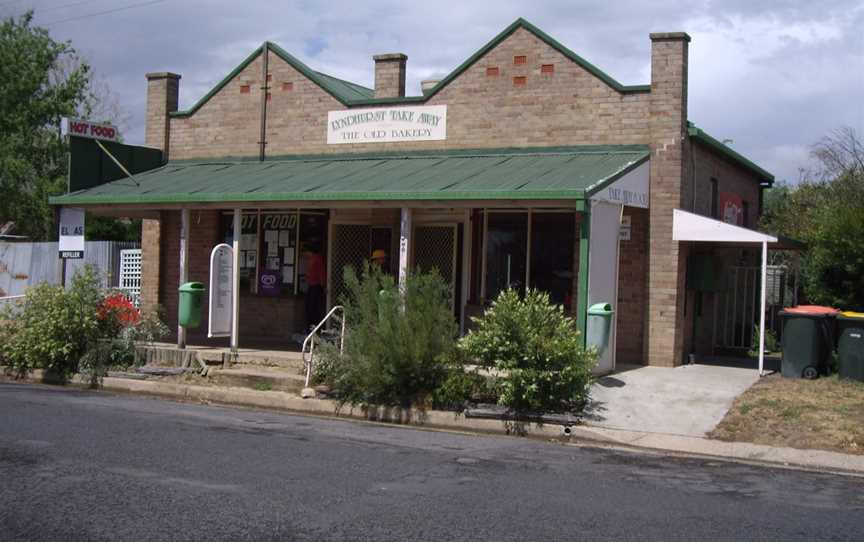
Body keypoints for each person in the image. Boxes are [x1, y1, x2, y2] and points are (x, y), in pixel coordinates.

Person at [303, 243, 326, 330]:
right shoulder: (312, 259)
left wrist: (323, 285)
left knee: (313, 308)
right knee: (310, 308)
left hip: (316, 286)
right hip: (312, 285)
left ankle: (314, 328)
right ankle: (311, 327)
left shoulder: (317, 259)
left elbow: (321, 273)